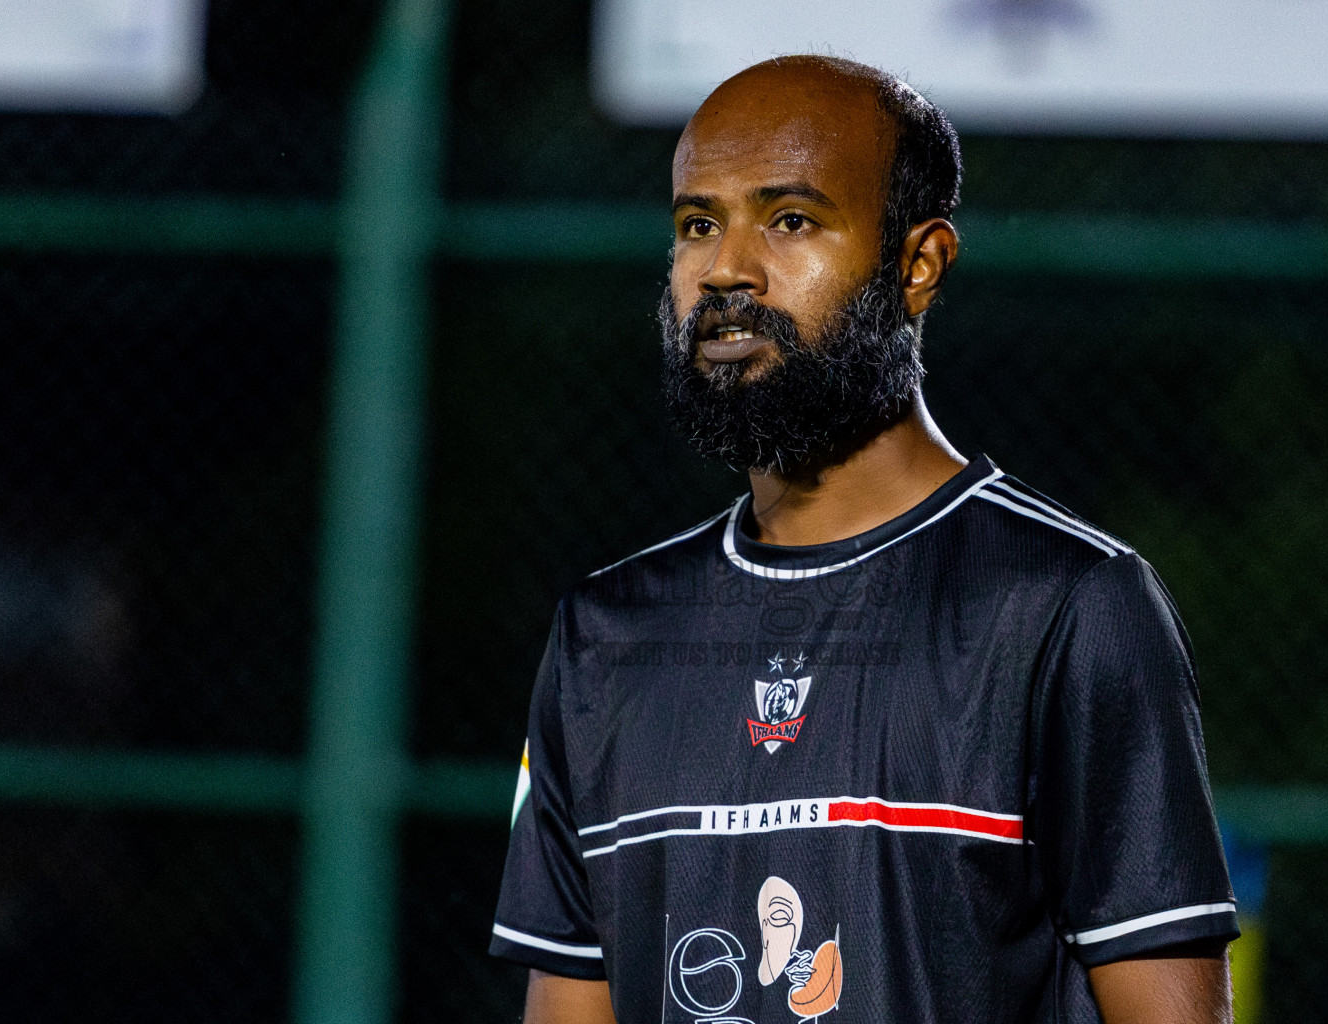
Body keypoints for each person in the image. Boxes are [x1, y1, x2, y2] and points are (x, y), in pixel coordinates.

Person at [489, 55, 1238, 1024]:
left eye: (791, 219)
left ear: (917, 264)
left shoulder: (1069, 604)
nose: (727, 269)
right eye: (697, 223)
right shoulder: (603, 636)